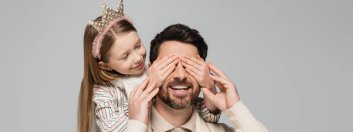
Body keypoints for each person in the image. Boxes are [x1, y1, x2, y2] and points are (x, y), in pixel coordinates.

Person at [78, 0, 220, 131]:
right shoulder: (103, 92)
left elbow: (207, 116)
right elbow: (113, 129)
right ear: (106, 66)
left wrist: (209, 87)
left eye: (138, 45)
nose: (138, 58)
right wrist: (150, 85)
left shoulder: (152, 70)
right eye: (125, 56)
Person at [126, 24, 268, 132]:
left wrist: (235, 108)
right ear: (150, 70)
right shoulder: (121, 126)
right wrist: (136, 125)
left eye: (189, 65)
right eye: (170, 65)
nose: (180, 75)